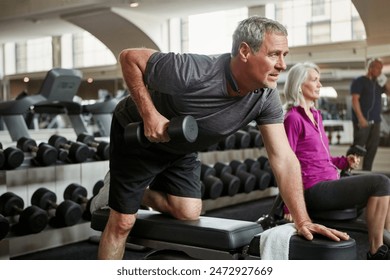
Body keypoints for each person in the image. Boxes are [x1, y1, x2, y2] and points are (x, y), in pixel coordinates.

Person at [92, 16, 349, 260]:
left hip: (182, 146)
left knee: (188, 211)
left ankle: (126, 189)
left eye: (284, 55)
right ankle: (122, 195)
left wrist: (301, 219)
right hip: (138, 135)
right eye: (273, 54)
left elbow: (283, 158)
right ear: (245, 52)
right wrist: (150, 115)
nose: (282, 64)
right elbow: (129, 58)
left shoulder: (265, 97)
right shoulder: (195, 70)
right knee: (123, 221)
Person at [283, 61, 390, 260]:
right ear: (299, 85)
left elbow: (321, 157)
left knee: (384, 185)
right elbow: (285, 163)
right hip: (313, 189)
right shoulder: (293, 118)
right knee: (381, 182)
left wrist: (343, 161)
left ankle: (386, 242)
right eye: (314, 80)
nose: (319, 85)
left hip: (331, 182)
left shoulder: (316, 116)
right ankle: (376, 252)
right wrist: (289, 206)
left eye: (319, 80)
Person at [350, 58, 390, 171]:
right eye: (378, 68)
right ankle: (347, 171)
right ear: (370, 67)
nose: (379, 71)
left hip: (376, 122)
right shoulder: (359, 81)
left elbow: (389, 92)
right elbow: (355, 100)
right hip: (363, 121)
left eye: (381, 69)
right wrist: (361, 118)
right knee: (357, 148)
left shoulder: (378, 84)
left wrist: (384, 80)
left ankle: (366, 173)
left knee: (372, 149)